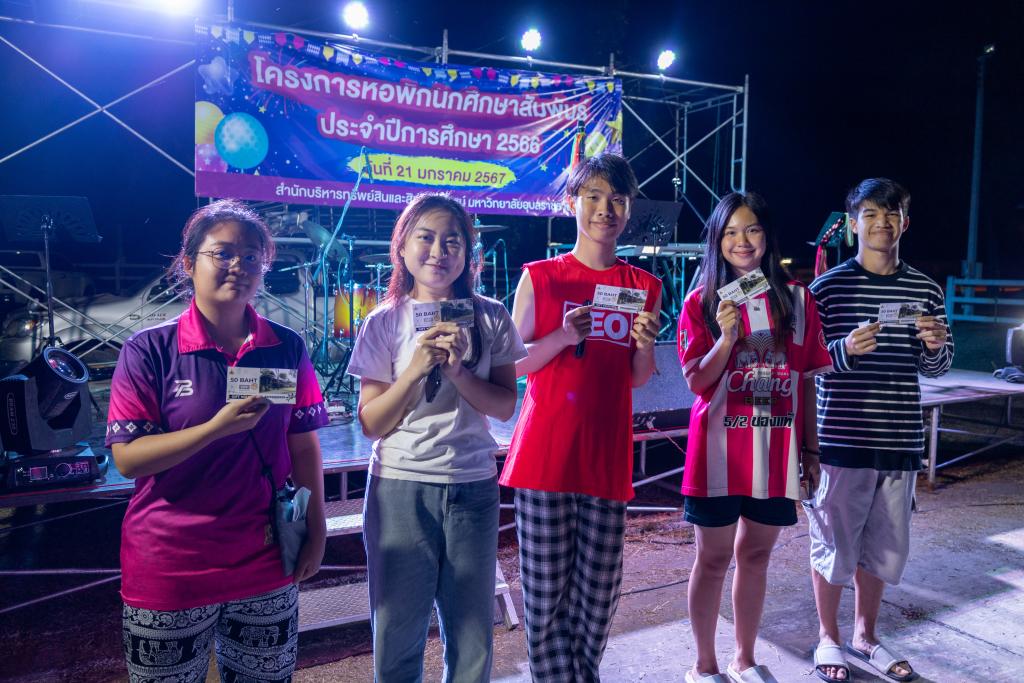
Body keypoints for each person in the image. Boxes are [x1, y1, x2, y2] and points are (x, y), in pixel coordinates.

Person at [107, 200, 328, 682]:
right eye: (222, 253)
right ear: (189, 263)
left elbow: (302, 445)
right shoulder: (149, 350)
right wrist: (214, 429)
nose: (238, 266)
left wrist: (317, 530)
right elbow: (128, 459)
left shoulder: (285, 347)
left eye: (251, 257)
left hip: (266, 561)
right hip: (170, 567)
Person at [346, 193, 527, 682]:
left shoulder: (491, 316)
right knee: (397, 634)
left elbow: (504, 406)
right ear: (402, 247)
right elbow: (372, 422)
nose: (438, 251)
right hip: (400, 487)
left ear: (468, 252)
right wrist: (416, 369)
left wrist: (459, 372)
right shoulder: (384, 320)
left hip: (473, 485)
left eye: (453, 241)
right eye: (425, 238)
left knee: (472, 638)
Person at [500, 153, 663, 681]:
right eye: (592, 196)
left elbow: (636, 377)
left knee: (598, 597)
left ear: (629, 208)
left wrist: (645, 346)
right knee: (546, 600)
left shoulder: (643, 286)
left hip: (606, 456)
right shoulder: (541, 278)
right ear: (572, 202)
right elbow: (513, 366)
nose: (604, 209)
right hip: (544, 456)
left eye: (616, 199)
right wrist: (563, 336)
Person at [677, 192, 833, 683]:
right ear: (716, 241)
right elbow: (697, 382)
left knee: (756, 556)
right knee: (713, 558)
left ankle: (744, 659)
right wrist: (726, 338)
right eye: (730, 232)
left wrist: (811, 450)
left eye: (752, 230)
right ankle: (704, 665)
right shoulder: (701, 302)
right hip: (717, 452)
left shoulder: (799, 299)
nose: (742, 241)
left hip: (777, 450)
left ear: (767, 236)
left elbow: (804, 380)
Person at [806, 178, 953, 683]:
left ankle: (866, 637)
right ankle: (828, 637)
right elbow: (809, 364)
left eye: (891, 214)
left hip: (900, 440)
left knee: (883, 549)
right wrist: (845, 350)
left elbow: (937, 367)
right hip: (841, 441)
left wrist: (934, 346)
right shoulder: (827, 289)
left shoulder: (925, 290)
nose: (881, 223)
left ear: (904, 223)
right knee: (833, 544)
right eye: (869, 214)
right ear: (853, 224)